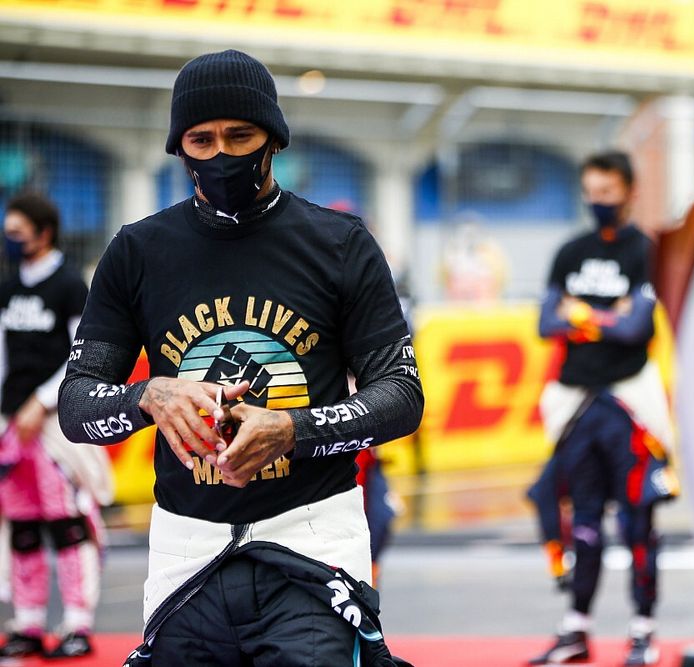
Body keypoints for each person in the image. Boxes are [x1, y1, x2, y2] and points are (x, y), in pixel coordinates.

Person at [57, 50, 422, 666]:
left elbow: (402, 397)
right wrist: (149, 395)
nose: (221, 154)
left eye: (239, 135)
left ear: (272, 139)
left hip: (311, 540)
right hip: (185, 546)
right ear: (180, 148)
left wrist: (293, 429)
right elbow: (76, 405)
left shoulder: (341, 244)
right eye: (201, 139)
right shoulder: (137, 251)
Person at [528, 151, 678, 667]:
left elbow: (638, 328)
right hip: (577, 402)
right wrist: (605, 316)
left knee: (639, 519)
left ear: (630, 192)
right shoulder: (570, 250)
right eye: (591, 192)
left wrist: (580, 314)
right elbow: (546, 322)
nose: (598, 202)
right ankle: (576, 629)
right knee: (582, 520)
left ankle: (642, 630)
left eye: (607, 193)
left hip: (630, 399)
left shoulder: (647, 251)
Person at [0, 192, 112, 659]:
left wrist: (41, 403)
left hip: (54, 426)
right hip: (12, 426)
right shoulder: (7, 287)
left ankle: (77, 623)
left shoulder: (70, 286)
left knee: (68, 524)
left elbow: (80, 358)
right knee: (22, 527)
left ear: (43, 233)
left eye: (17, 234)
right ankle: (27, 622)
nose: (10, 242)